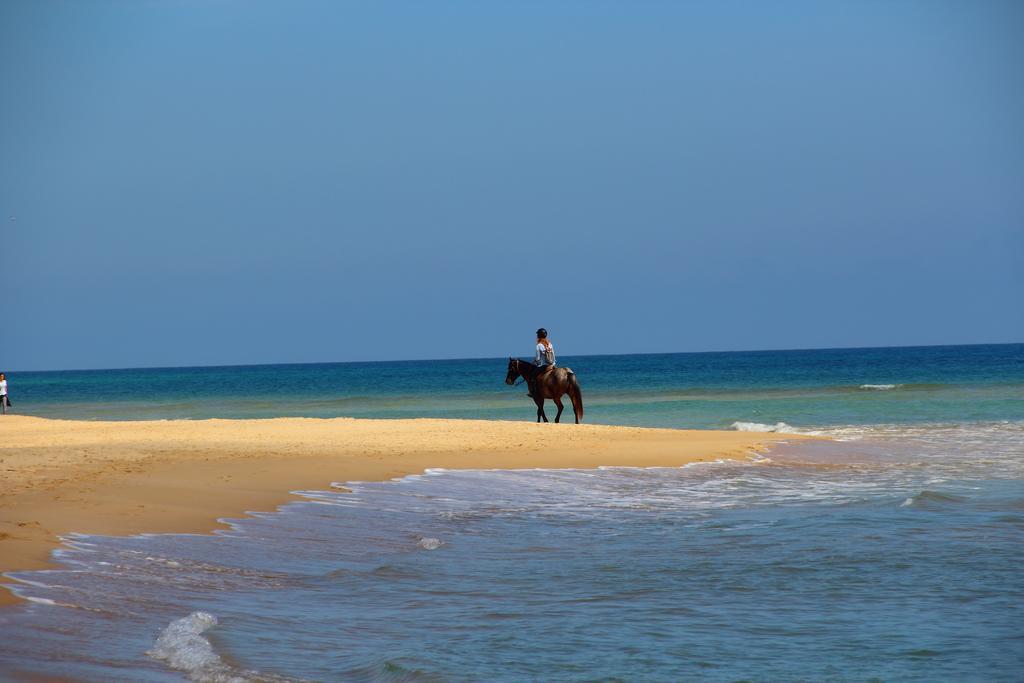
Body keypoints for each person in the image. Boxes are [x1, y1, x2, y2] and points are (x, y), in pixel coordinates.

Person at [527, 328, 556, 398]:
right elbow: (554, 356)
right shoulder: (550, 344)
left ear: (539, 335)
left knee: (532, 376)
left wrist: (534, 363)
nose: (537, 335)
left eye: (537, 334)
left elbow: (538, 359)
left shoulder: (539, 345)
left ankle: (533, 392)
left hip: (543, 366)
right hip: (552, 365)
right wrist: (553, 363)